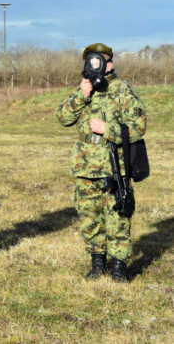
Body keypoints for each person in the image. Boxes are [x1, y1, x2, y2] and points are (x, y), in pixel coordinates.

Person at [56, 43, 146, 282]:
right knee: (89, 218)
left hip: (113, 166)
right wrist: (81, 95)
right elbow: (63, 117)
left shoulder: (123, 90)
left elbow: (138, 128)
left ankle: (118, 267)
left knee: (117, 217)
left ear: (110, 64)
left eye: (99, 60)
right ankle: (98, 263)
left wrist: (109, 130)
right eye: (90, 62)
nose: (94, 66)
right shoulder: (84, 91)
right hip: (85, 168)